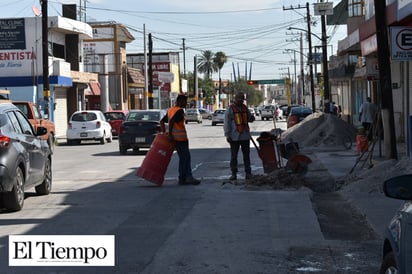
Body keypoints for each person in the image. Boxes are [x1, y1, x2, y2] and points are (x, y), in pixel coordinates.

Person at [160, 94, 201, 185]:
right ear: (180, 101)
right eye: (185, 102)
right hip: (180, 139)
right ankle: (186, 177)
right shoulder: (179, 111)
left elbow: (162, 121)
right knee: (185, 158)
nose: (186, 104)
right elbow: (172, 122)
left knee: (184, 158)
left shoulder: (171, 110)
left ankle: (183, 178)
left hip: (176, 139)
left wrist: (164, 133)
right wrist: (170, 134)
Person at [224, 92, 254, 181]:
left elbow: (249, 118)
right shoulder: (230, 109)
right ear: (236, 100)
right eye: (240, 100)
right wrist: (227, 134)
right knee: (234, 156)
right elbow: (227, 123)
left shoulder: (245, 108)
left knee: (246, 156)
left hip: (245, 136)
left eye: (242, 100)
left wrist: (252, 118)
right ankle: (234, 174)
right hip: (234, 137)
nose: (241, 102)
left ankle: (248, 173)